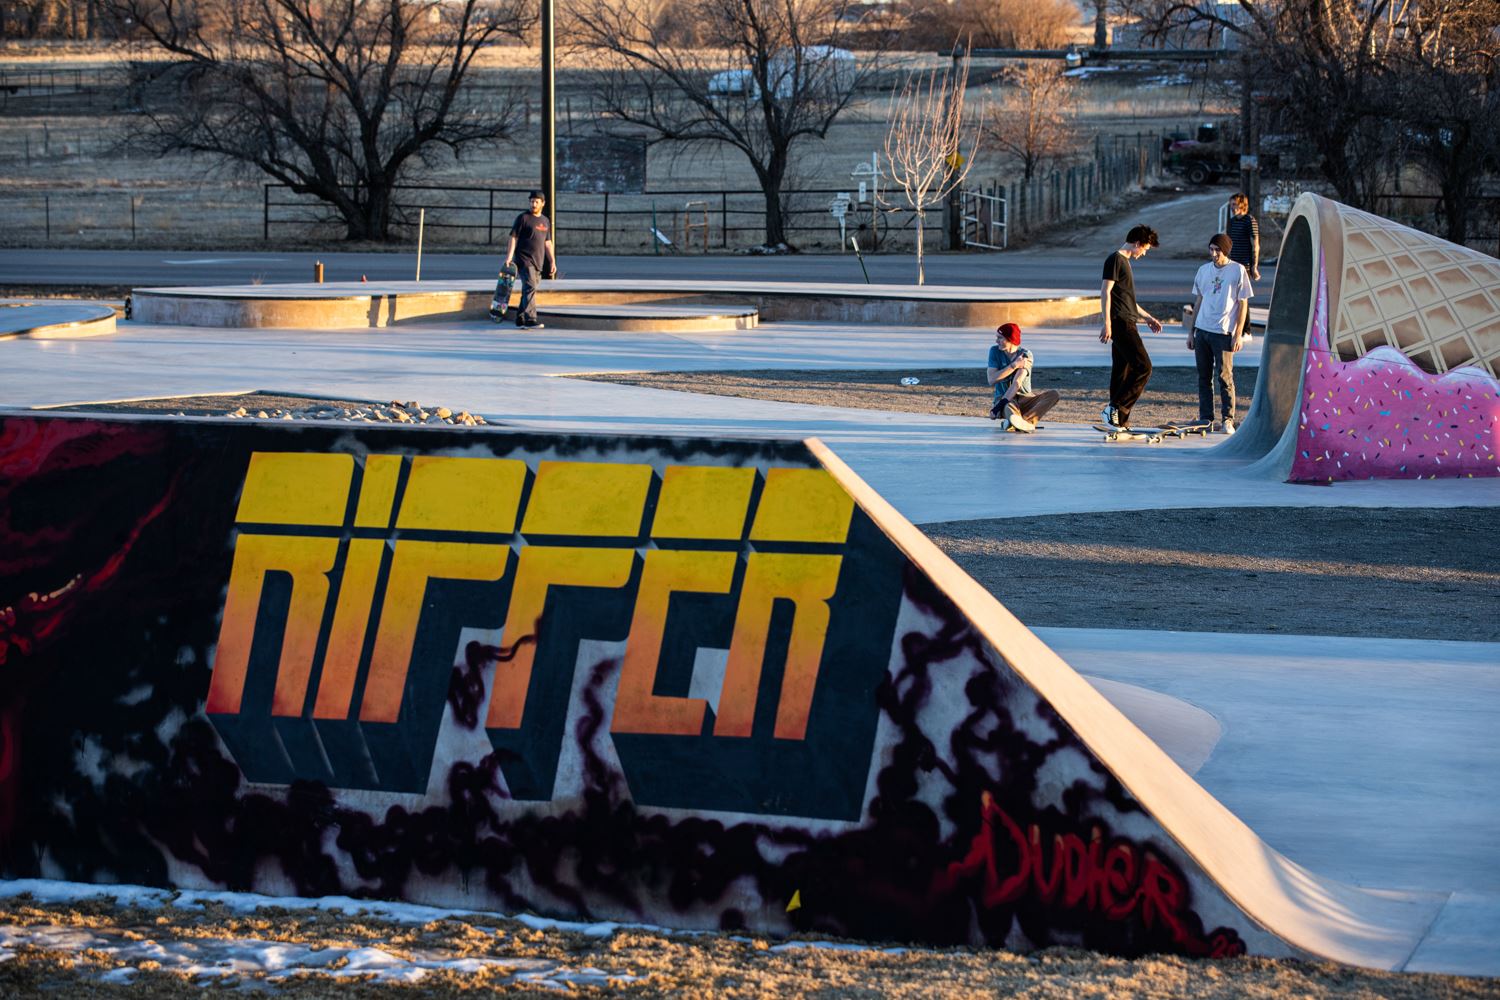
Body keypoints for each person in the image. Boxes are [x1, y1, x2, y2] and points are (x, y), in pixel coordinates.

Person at [1098, 224, 1163, 428]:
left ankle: (1118, 420)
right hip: (1120, 323)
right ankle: (1116, 408)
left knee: (1122, 370)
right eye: (1144, 249)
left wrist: (1148, 317)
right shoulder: (1116, 259)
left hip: (1127, 319)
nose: (1143, 253)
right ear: (1137, 243)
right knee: (1144, 367)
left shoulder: (1124, 262)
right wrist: (1107, 323)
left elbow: (1127, 299)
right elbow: (1105, 292)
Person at [1188, 234, 1253, 434]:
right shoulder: (1203, 270)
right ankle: (1206, 418)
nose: (1214, 253)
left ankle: (1228, 419)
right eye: (1211, 249)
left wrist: (1238, 333)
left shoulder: (1238, 270)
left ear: (1226, 250)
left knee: (1225, 377)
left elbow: (1243, 304)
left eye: (1218, 249)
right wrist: (1192, 332)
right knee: (1203, 377)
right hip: (1202, 330)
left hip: (1223, 332)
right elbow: (1198, 300)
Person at [987, 323, 1059, 433]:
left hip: (1025, 399)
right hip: (1004, 399)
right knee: (1008, 406)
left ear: (1011, 339)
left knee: (1053, 394)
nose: (996, 341)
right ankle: (1021, 423)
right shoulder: (994, 351)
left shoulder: (1025, 355)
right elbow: (991, 379)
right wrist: (1014, 365)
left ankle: (1021, 422)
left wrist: (997, 408)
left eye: (1000, 338)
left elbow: (1017, 383)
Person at [502, 190, 557, 329]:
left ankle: (520, 317)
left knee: (529, 289)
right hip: (523, 259)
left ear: (542, 204)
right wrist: (509, 257)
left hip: (538, 261)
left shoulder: (545, 221)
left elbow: (548, 242)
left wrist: (552, 261)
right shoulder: (523, 218)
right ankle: (530, 319)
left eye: (536, 202)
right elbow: (513, 237)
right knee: (530, 287)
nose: (533, 204)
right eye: (531, 201)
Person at [1225, 193, 1260, 341]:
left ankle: (1247, 331)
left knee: (1242, 298)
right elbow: (1228, 243)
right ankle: (1235, 327)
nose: (1232, 208)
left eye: (1234, 205)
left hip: (1244, 265)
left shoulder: (1249, 221)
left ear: (1242, 205)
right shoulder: (1232, 222)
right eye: (1231, 205)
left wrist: (1254, 266)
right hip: (1232, 263)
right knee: (1232, 297)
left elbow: (1255, 245)